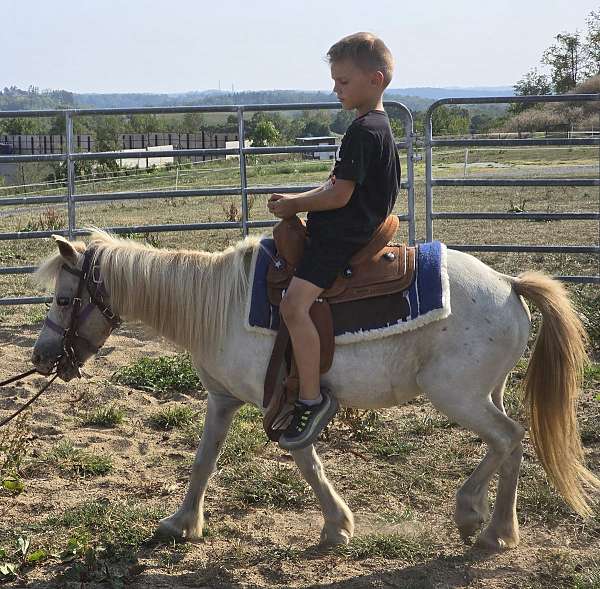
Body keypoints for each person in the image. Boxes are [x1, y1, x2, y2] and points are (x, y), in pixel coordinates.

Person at [267, 32, 401, 451]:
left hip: (343, 237)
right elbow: (337, 184)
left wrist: (293, 204)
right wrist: (304, 199)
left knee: (293, 304)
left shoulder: (363, 131)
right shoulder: (377, 126)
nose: (336, 89)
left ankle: (310, 397)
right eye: (335, 81)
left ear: (375, 80)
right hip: (352, 227)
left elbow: (338, 195)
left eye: (343, 81)